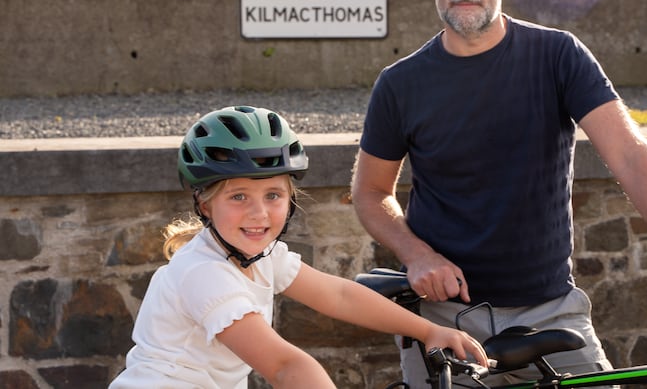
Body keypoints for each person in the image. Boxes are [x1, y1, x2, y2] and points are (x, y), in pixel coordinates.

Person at [350, 0, 647, 386]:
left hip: (553, 313)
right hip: (442, 322)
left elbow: (630, 154)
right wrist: (416, 255)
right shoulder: (400, 83)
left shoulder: (558, 56)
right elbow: (371, 192)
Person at [109, 105, 487, 389]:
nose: (259, 214)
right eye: (238, 196)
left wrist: (427, 331)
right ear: (205, 205)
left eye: (273, 195)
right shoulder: (204, 274)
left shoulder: (263, 255)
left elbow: (340, 296)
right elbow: (285, 367)